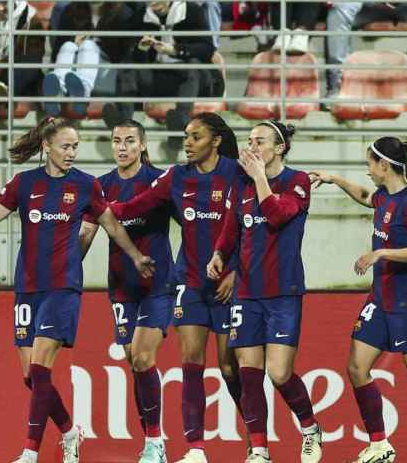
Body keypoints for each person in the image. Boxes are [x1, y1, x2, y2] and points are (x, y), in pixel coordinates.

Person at [0, 116, 156, 463]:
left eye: (76, 147)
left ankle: (29, 452)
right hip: (27, 288)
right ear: (46, 146)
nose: (72, 153)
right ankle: (69, 431)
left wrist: (137, 256)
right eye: (66, 146)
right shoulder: (24, 184)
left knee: (40, 369)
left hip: (63, 288)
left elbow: (112, 227)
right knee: (30, 377)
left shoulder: (86, 185)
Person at [106, 112, 244, 463]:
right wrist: (96, 207)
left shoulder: (235, 173)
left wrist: (236, 272)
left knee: (230, 369)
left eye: (195, 136)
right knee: (190, 363)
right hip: (190, 281)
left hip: (229, 283)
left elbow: (252, 224)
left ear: (214, 141)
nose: (187, 142)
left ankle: (257, 443)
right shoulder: (176, 176)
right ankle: (195, 449)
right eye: (185, 135)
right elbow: (136, 206)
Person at [309, 138, 407, 463]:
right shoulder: (383, 196)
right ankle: (380, 444)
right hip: (381, 299)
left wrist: (381, 252)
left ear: (384, 166)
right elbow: (367, 197)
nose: (367, 170)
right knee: (356, 367)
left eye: (370, 164)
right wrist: (334, 179)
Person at [206, 121, 323, 463]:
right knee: (249, 369)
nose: (251, 146)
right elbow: (231, 227)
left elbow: (275, 216)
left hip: (283, 291)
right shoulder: (240, 183)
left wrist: (259, 177)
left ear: (280, 147)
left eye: (260, 141)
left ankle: (310, 427)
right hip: (247, 291)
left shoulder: (297, 182)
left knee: (279, 372)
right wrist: (218, 255)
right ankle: (259, 450)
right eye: (249, 140)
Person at [79, 119, 175, 463]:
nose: (122, 147)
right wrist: (66, 270)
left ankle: (154, 443)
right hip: (120, 287)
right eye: (117, 141)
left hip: (158, 284)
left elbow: (192, 224)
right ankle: (152, 443)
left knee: (143, 356)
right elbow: (87, 233)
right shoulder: (100, 187)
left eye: (130, 141)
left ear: (143, 145)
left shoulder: (160, 181)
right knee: (136, 363)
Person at [103, 0, 217, 157]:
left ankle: (180, 125)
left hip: (191, 81)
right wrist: (141, 49)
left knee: (191, 67)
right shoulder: (140, 16)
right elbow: (128, 56)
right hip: (158, 79)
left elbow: (207, 49)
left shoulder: (191, 11)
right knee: (128, 69)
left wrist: (175, 50)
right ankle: (124, 126)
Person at [44, 0, 132, 118]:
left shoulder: (122, 13)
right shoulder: (70, 11)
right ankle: (57, 91)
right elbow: (57, 49)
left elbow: (123, 54)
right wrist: (74, 42)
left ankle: (79, 93)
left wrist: (95, 40)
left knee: (89, 45)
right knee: (68, 46)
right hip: (73, 68)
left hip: (107, 70)